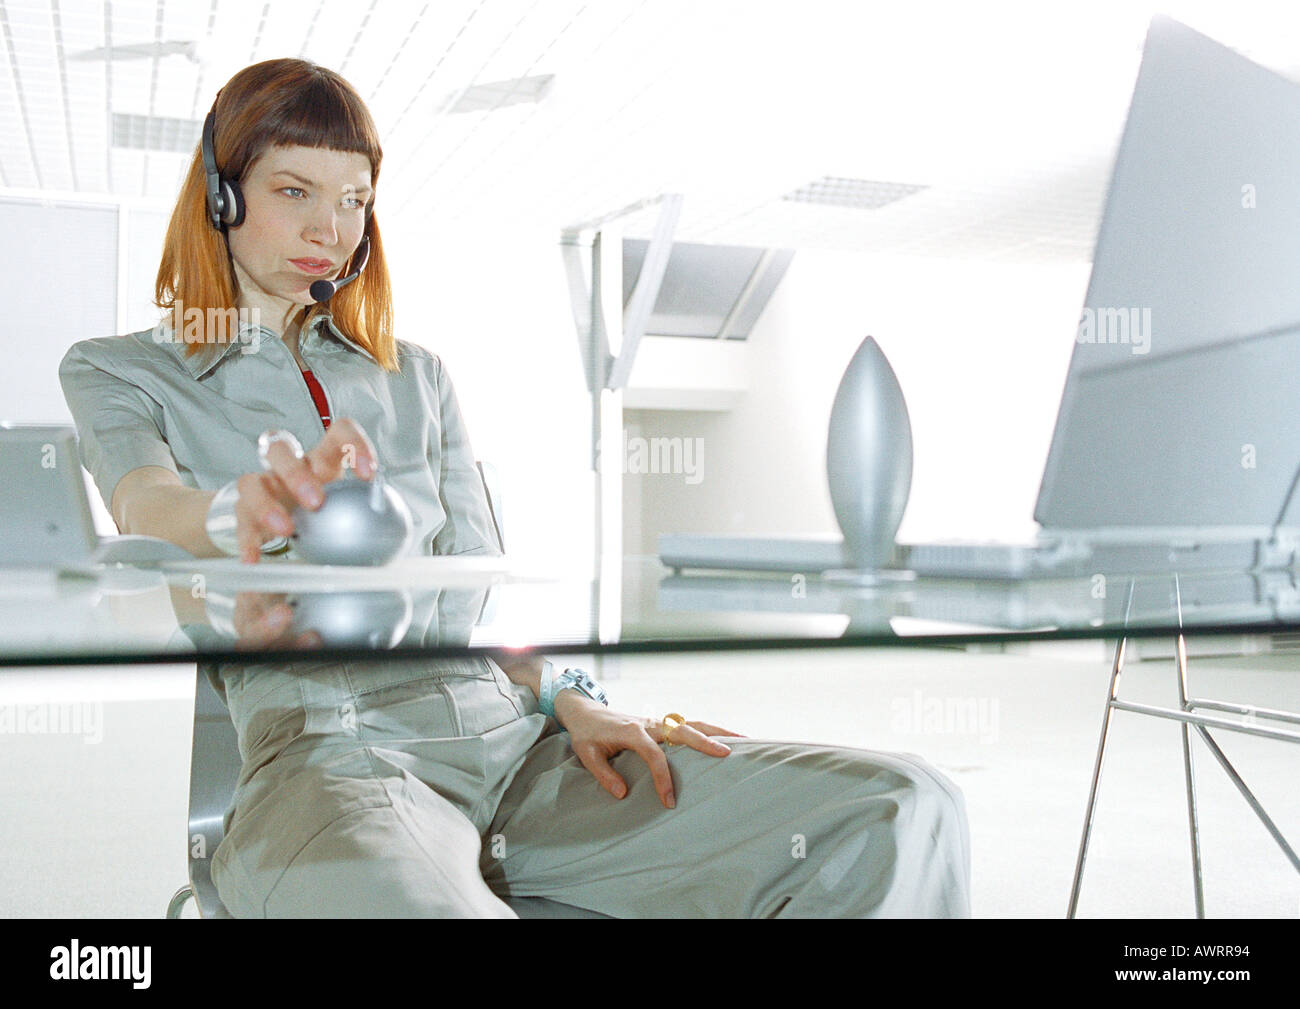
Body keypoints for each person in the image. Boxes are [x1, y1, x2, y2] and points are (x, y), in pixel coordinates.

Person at [58, 58, 971, 918]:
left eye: (353, 201)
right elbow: (145, 503)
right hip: (333, 763)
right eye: (293, 191)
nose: (328, 230)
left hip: (516, 746)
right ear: (220, 197)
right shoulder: (121, 371)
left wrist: (572, 691)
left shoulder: (417, 375)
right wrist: (234, 513)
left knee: (901, 806)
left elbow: (478, 602)